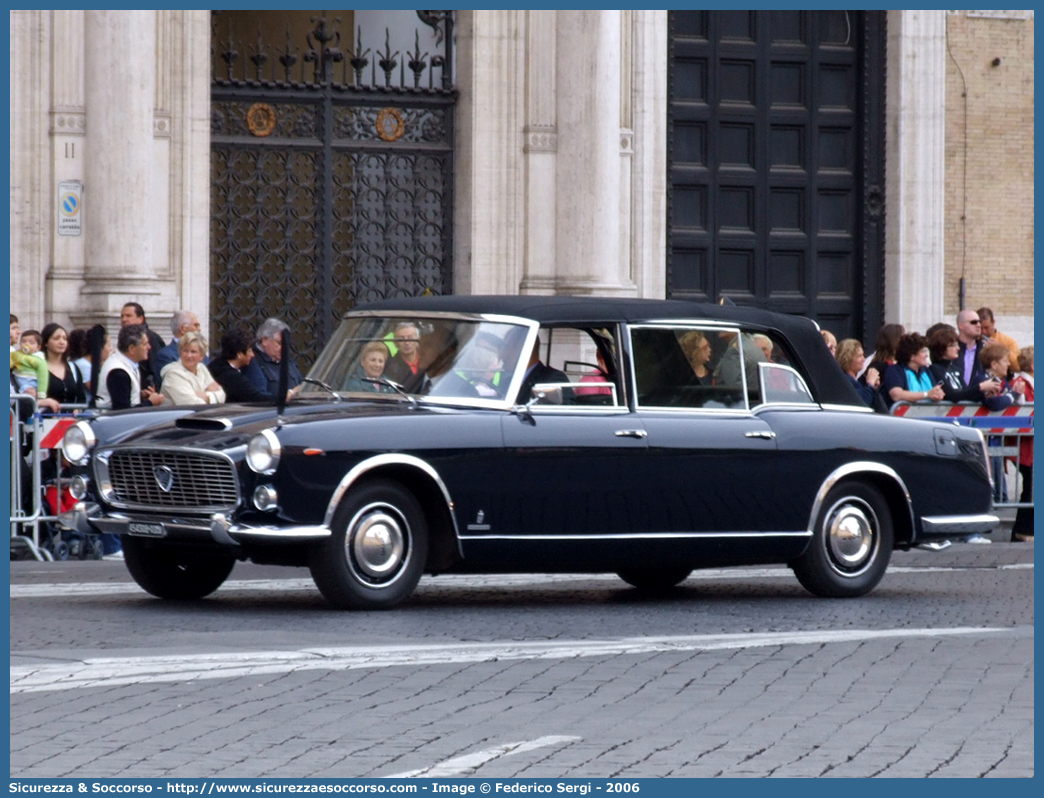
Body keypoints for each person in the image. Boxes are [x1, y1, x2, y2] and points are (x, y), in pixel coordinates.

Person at [95, 324, 165, 410]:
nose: (149, 347)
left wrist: (140, 396)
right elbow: (122, 411)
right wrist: (150, 402)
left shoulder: (127, 364)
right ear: (132, 349)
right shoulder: (118, 372)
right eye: (145, 344)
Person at [942, 309, 1000, 403]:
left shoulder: (984, 349)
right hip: (953, 402)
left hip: (976, 402)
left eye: (979, 322)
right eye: (973, 322)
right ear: (961, 325)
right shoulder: (951, 349)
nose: (978, 325)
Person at [209, 329, 278, 403]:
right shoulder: (232, 377)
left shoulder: (215, 365)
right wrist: (285, 396)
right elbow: (257, 398)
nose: (252, 355)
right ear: (239, 354)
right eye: (249, 351)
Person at [160, 332, 225, 406]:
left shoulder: (201, 368)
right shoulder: (172, 374)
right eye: (185, 351)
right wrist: (210, 393)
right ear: (180, 352)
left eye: (193, 352)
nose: (189, 355)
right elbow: (191, 404)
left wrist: (205, 395)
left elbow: (222, 395)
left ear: (201, 356)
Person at [882, 333, 945, 409]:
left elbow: (935, 390)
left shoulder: (926, 371)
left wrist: (938, 394)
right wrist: (926, 395)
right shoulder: (895, 370)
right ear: (911, 356)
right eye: (923, 351)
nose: (926, 355)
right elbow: (897, 395)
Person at [243, 318, 303, 397]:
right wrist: (289, 394)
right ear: (265, 340)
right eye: (280, 343)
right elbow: (260, 397)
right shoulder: (253, 360)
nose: (284, 348)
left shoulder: (287, 359)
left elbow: (301, 384)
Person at [1010, 346, 1034, 542]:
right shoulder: (1021, 383)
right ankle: (1023, 530)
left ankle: (1023, 529)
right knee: (1031, 486)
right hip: (1026, 445)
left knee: (1031, 487)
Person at [121, 302, 166, 392]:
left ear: (140, 319)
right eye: (122, 316)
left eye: (128, 316)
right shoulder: (126, 338)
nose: (124, 319)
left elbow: (156, 367)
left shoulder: (150, 338)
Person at [40, 323, 86, 408]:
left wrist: (77, 410)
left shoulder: (73, 368)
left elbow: (81, 398)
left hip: (71, 419)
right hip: (45, 418)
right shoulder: (38, 366)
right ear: (46, 343)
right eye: (56, 338)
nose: (62, 342)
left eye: (65, 339)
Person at [153, 310, 202, 388]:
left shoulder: (200, 352)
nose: (199, 329)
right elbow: (175, 386)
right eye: (196, 325)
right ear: (183, 329)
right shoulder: (166, 356)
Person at [836, 338, 881, 408]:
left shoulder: (855, 380)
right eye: (859, 356)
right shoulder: (846, 381)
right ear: (848, 359)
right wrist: (870, 384)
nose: (864, 359)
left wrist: (874, 387)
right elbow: (863, 403)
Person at [977, 306, 1020, 371]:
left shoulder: (1008, 341)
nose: (983, 331)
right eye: (980, 328)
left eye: (986, 327)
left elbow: (1017, 366)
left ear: (993, 322)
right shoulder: (973, 340)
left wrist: (1000, 348)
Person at [382, 322, 422, 386]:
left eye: (410, 337)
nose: (406, 342)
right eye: (401, 339)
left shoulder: (427, 359)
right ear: (395, 343)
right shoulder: (390, 367)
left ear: (418, 339)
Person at [12, 330, 46, 395]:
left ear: (38, 347)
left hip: (30, 382)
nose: (26, 344)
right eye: (23, 341)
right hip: (17, 379)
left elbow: (43, 376)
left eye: (31, 342)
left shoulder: (39, 359)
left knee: (27, 394)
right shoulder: (16, 354)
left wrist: (41, 393)